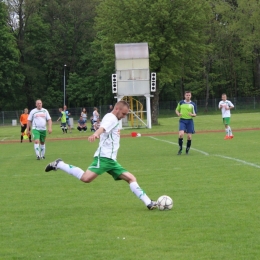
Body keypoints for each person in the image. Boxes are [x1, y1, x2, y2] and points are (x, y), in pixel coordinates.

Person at [45, 100, 157, 210]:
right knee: (86, 178)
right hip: (104, 158)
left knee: (131, 178)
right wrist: (95, 134)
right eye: (123, 113)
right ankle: (60, 164)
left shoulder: (111, 117)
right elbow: (102, 128)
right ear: (117, 109)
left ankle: (149, 203)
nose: (124, 116)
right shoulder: (112, 118)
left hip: (111, 160)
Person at [175, 91, 197, 155]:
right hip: (182, 120)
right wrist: (178, 113)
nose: (188, 96)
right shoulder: (181, 103)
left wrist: (192, 114)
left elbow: (195, 114)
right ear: (185, 96)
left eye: (189, 95)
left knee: (189, 137)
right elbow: (176, 110)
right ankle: (180, 149)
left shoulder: (193, 104)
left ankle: (187, 150)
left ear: (191, 96)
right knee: (181, 134)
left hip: (190, 121)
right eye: (187, 95)